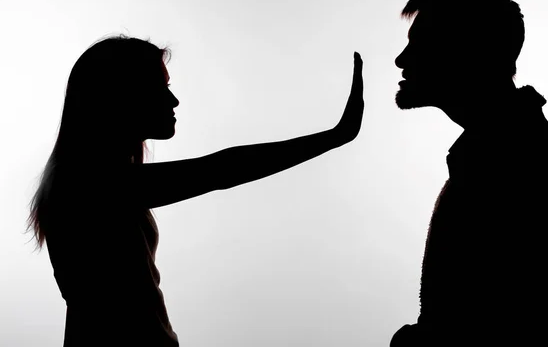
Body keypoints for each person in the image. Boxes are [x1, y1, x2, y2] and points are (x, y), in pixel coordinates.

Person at [25, 35, 364, 347]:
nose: (173, 99)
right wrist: (334, 137)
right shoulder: (92, 184)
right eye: (158, 87)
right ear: (121, 97)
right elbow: (221, 169)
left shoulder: (89, 180)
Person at [390, 0, 548, 347]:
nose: (401, 60)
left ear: (465, 51)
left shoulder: (525, 168)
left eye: (419, 44)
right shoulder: (502, 156)